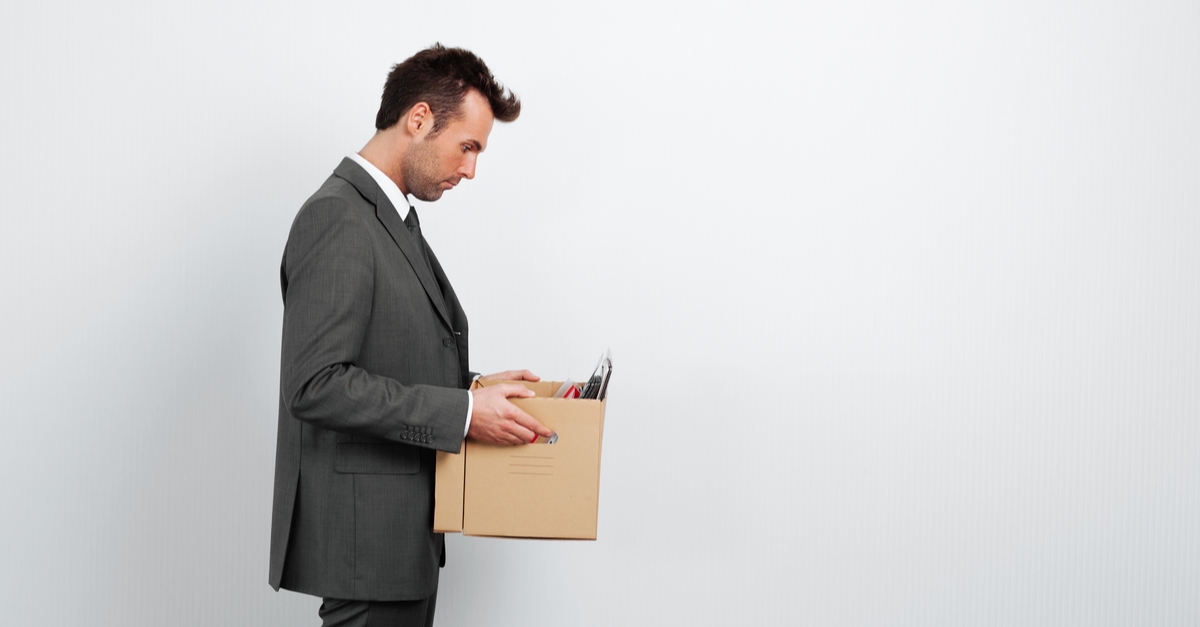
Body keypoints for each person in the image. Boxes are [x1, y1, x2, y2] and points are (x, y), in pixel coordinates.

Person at [268, 44, 554, 627]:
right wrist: (464, 413)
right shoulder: (338, 217)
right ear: (418, 119)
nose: (471, 170)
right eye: (468, 146)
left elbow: (390, 357)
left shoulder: (390, 217)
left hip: (400, 545)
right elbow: (316, 384)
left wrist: (473, 388)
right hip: (366, 550)